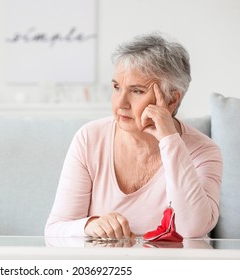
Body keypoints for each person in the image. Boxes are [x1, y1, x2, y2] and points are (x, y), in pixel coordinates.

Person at [45, 33, 222, 239]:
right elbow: (55, 229)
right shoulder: (89, 138)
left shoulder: (204, 151)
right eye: (116, 87)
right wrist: (90, 226)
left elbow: (192, 228)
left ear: (172, 100)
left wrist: (170, 141)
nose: (120, 103)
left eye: (137, 91)